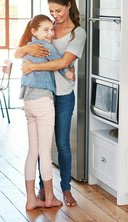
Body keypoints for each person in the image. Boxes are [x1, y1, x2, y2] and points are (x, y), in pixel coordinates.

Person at [15, 0, 86, 207]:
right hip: (43, 96)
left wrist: (33, 66)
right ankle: (43, 189)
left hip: (62, 95)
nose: (55, 15)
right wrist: (27, 50)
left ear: (69, 6)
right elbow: (18, 51)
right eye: (51, 11)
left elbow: (63, 62)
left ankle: (65, 189)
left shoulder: (78, 34)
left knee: (62, 144)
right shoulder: (47, 27)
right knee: (41, 147)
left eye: (58, 10)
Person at [19, 14, 74, 210]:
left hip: (28, 102)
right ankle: (50, 198)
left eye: (51, 29)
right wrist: (71, 71)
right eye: (46, 30)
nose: (50, 33)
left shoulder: (28, 46)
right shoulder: (47, 47)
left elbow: (18, 55)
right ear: (35, 31)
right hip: (43, 101)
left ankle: (31, 199)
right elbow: (64, 68)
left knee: (32, 150)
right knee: (44, 151)